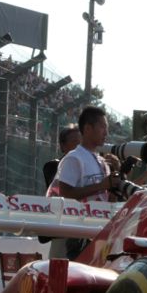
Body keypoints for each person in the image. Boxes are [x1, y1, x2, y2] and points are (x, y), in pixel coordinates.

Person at [49, 106, 120, 258]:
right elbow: (66, 194)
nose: (106, 133)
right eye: (102, 127)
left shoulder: (103, 161)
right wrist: (102, 185)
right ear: (88, 129)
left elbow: (109, 201)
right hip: (76, 234)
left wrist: (118, 177)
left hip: (98, 233)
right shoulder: (74, 158)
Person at [43, 125, 81, 191]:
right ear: (63, 145)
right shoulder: (53, 166)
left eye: (81, 142)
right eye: (75, 141)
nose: (79, 146)